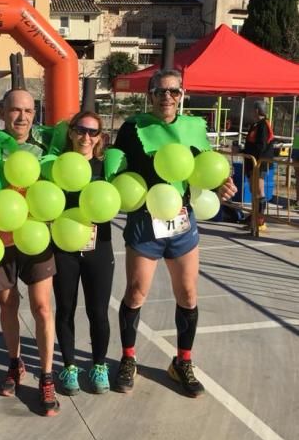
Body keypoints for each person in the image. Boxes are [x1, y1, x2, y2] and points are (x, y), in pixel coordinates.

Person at [113, 69, 237, 398]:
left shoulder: (195, 127)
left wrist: (222, 184)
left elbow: (205, 168)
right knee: (137, 291)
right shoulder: (131, 128)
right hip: (144, 219)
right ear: (150, 95)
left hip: (183, 220)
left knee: (188, 294)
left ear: (182, 95)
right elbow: (116, 167)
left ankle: (182, 361)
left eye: (174, 92)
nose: (167, 97)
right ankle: (128, 358)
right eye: (160, 91)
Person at [0, 88, 60, 416]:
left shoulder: (46, 147)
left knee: (42, 307)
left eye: (28, 111)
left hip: (36, 237)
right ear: (2, 112)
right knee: (7, 303)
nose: (22, 117)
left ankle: (46, 376)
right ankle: (15, 364)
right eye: (15, 110)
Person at [53, 111, 114, 395]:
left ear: (99, 137)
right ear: (71, 132)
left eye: (93, 132)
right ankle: (68, 366)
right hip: (64, 248)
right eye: (81, 130)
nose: (86, 137)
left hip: (98, 248)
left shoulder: (106, 169)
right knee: (65, 309)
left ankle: (99, 365)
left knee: (98, 311)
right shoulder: (56, 167)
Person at [243, 100, 275, 229]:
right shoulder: (255, 125)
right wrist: (242, 150)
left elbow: (261, 146)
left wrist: (246, 151)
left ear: (257, 110)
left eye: (252, 110)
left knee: (259, 190)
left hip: (260, 162)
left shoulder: (263, 125)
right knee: (253, 190)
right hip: (252, 161)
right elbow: (251, 144)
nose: (251, 112)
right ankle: (254, 216)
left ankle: (260, 220)